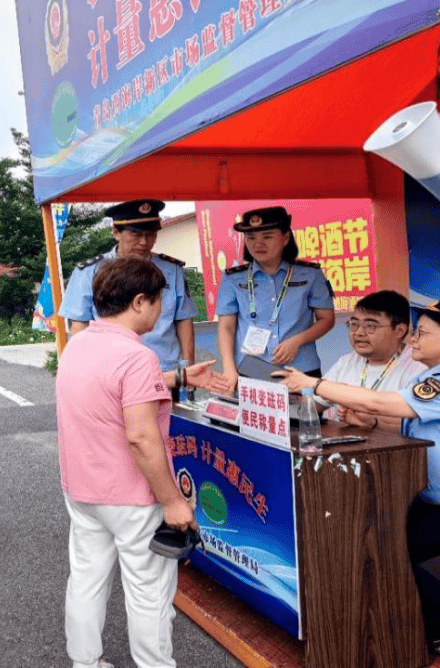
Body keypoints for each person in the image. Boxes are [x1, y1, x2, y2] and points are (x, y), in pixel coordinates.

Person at [276, 297, 440, 656]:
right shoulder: (431, 377)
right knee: (368, 534)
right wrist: (370, 422)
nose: (414, 340)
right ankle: (410, 616)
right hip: (431, 499)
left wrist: (314, 384)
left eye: (422, 333)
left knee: (384, 546)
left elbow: (379, 403)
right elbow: (398, 418)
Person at [56, 257, 220, 668]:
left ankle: (85, 662)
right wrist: (172, 501)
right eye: (160, 300)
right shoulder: (136, 357)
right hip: (131, 494)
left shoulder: (78, 346)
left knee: (87, 581)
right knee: (148, 591)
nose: (162, 310)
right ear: (140, 301)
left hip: (82, 487)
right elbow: (142, 437)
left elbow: (112, 390)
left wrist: (180, 378)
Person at [59, 199, 199, 377]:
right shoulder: (88, 272)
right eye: (135, 234)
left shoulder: (172, 270)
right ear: (116, 232)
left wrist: (187, 370)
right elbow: (79, 326)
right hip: (112, 371)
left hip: (163, 369)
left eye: (150, 235)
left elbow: (184, 320)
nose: (144, 242)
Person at [216, 206, 336, 392]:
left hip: (300, 367)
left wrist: (297, 341)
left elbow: (326, 319)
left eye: (268, 236)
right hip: (252, 367)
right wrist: (229, 368)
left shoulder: (310, 274)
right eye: (251, 238)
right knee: (257, 420)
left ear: (286, 237)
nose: (258, 244)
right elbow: (226, 327)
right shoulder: (233, 278)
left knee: (305, 419)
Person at [320, 290, 428, 425]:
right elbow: (314, 403)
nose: (359, 333)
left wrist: (372, 421)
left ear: (399, 330)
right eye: (354, 324)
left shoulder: (418, 367)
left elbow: (417, 425)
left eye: (370, 326)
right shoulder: (346, 362)